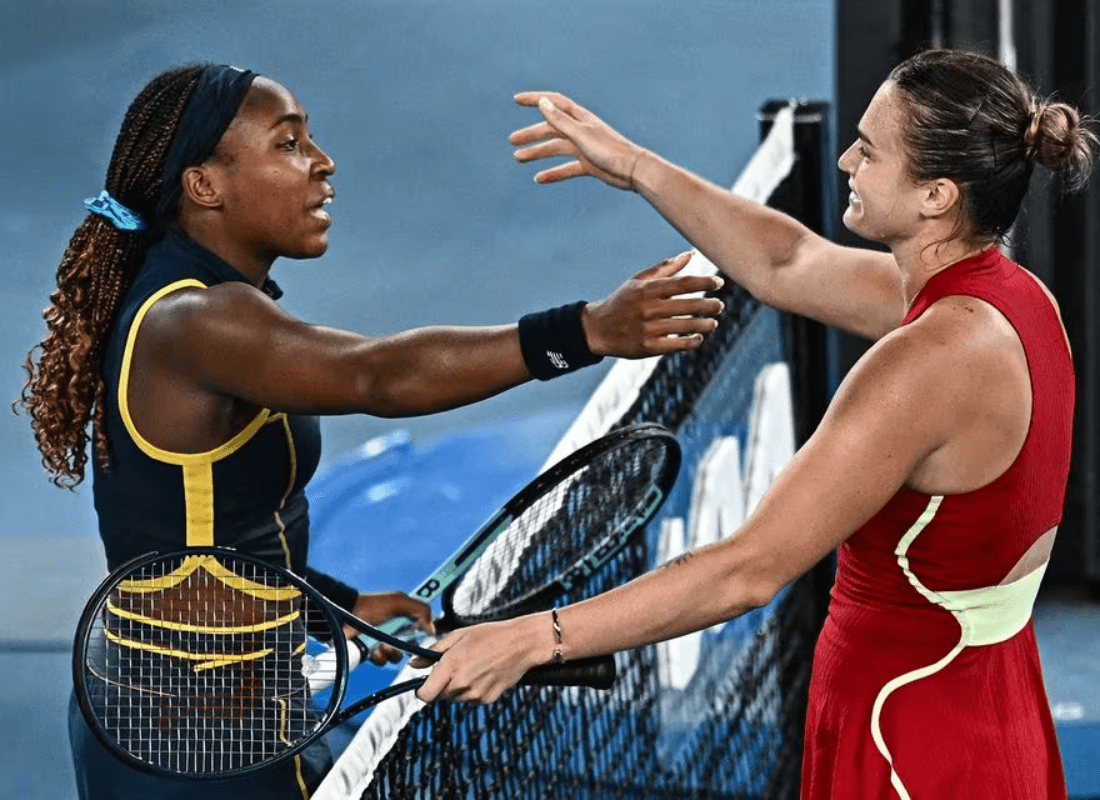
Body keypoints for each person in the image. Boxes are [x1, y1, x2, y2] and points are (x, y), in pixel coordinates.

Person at [15, 63, 724, 800]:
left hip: (213, 705)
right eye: (288, 144)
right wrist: (584, 331)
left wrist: (333, 600)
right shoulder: (199, 322)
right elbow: (377, 376)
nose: (323, 163)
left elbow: (191, 523)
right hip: (197, 743)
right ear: (205, 186)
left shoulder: (197, 296)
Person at [413, 48, 1098, 799]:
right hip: (988, 702)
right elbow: (788, 262)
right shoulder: (1012, 301)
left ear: (935, 194)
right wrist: (635, 166)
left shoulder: (923, 364)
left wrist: (531, 639)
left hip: (905, 730)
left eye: (869, 151)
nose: (844, 160)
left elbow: (748, 569)